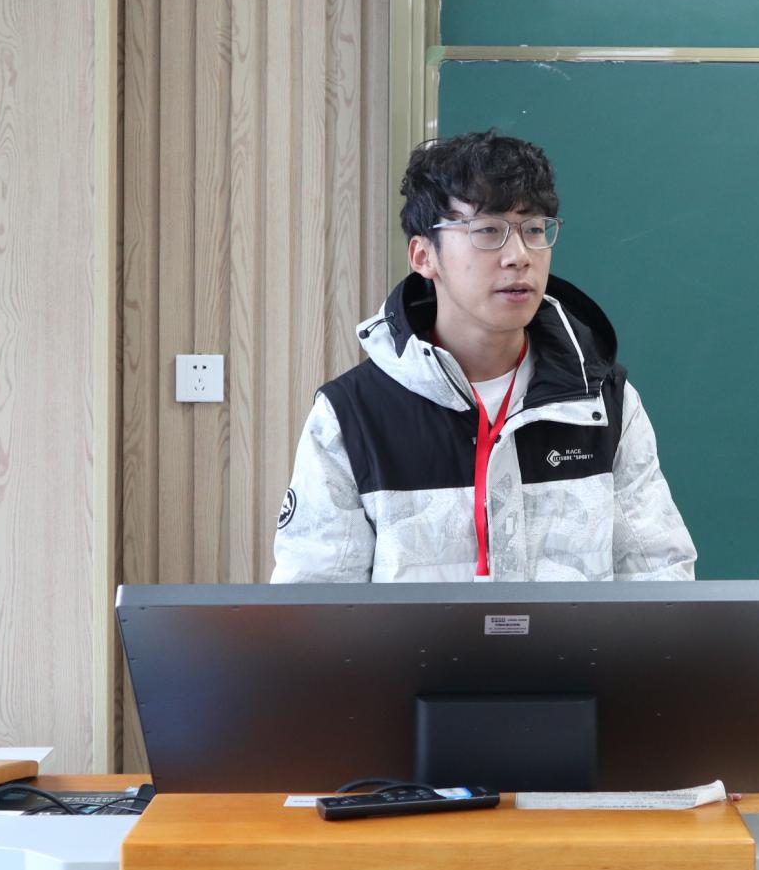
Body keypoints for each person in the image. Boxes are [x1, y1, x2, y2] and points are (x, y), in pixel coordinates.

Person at [272, 131, 696, 582]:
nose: (519, 256)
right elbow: (317, 606)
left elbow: (661, 584)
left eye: (534, 230)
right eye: (488, 231)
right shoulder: (351, 417)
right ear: (423, 255)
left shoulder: (604, 403)